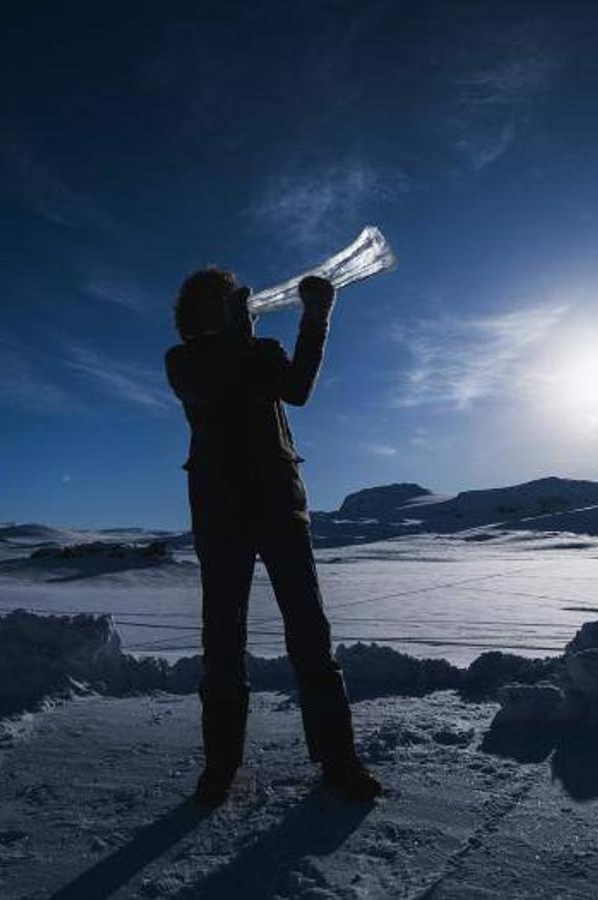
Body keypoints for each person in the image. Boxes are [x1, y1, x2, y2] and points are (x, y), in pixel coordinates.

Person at [164, 268, 383, 806]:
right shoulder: (184, 360)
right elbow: (208, 384)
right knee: (223, 641)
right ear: (197, 313)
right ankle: (220, 768)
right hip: (220, 513)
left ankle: (338, 759)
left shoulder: (259, 351)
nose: (237, 304)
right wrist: (240, 335)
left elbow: (299, 390)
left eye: (233, 299)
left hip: (281, 508)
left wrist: (316, 316)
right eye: (222, 300)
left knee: (310, 635)